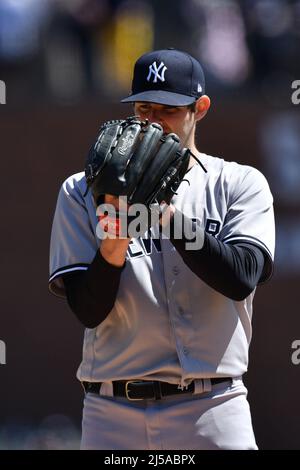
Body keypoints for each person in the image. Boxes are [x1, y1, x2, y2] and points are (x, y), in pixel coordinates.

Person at [49, 48, 275, 450]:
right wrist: (114, 242)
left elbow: (241, 277)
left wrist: (164, 215)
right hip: (111, 413)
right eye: (144, 107)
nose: (152, 122)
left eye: (168, 110)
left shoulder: (238, 184)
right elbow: (87, 310)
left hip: (213, 408)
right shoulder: (83, 190)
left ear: (199, 108)